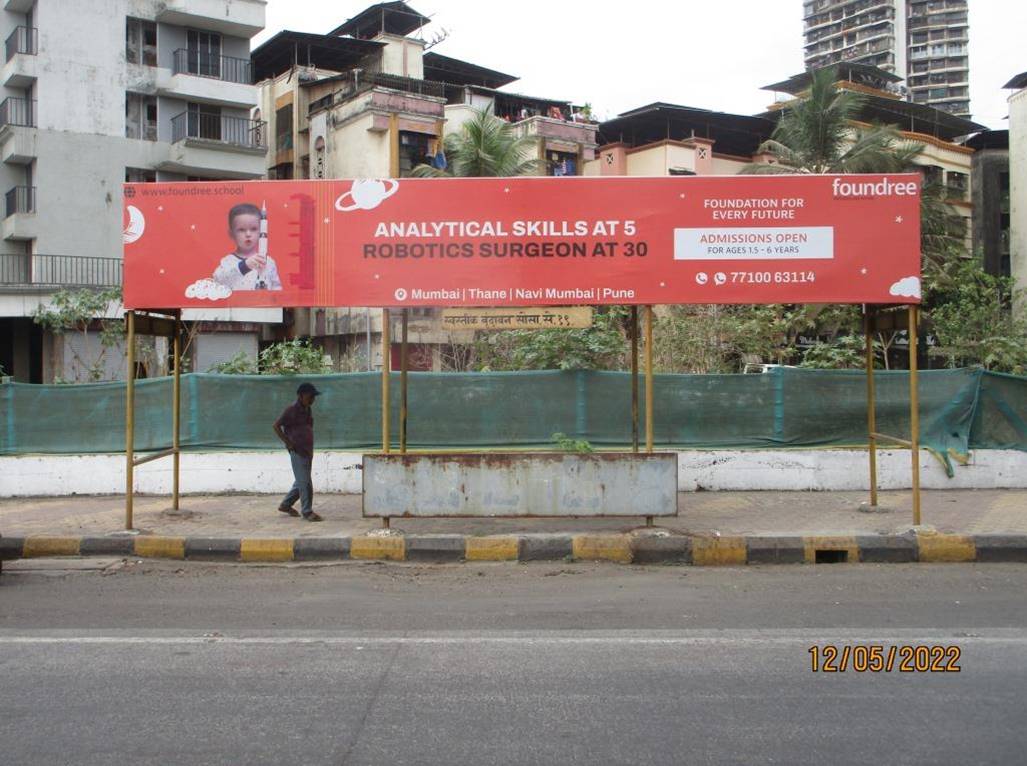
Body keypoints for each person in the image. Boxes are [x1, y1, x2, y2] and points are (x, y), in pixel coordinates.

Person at [273, 382, 322, 521]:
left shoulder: (307, 409)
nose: (313, 399)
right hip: (297, 451)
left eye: (314, 397)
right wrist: (288, 442)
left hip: (306, 450)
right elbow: (276, 426)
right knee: (305, 482)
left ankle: (286, 504)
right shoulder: (291, 410)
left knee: (300, 481)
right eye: (310, 396)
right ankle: (307, 511)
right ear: (301, 396)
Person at [213, 202, 282, 291]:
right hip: (237, 305)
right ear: (231, 234)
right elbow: (218, 281)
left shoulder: (269, 262)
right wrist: (244, 266)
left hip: (263, 304)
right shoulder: (228, 261)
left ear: (261, 231)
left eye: (253, 229)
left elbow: (276, 288)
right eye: (241, 230)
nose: (248, 234)